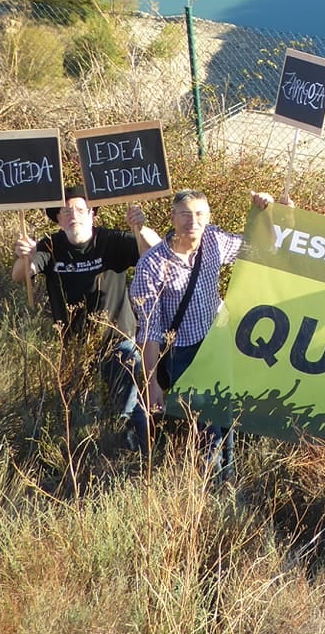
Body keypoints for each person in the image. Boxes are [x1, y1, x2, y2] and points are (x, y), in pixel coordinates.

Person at [129, 188, 276, 474]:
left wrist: (269, 213)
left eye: (199, 214)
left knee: (224, 415)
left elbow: (262, 250)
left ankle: (227, 477)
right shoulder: (152, 265)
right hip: (182, 353)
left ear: (208, 217)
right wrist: (152, 383)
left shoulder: (214, 241)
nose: (192, 222)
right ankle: (210, 481)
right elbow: (149, 329)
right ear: (172, 217)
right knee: (205, 422)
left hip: (218, 343)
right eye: (185, 214)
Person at [11, 186, 158, 338]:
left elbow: (157, 252)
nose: (74, 216)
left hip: (118, 341)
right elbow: (19, 276)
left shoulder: (111, 240)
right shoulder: (50, 246)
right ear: (58, 219)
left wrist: (141, 229)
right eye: (66, 212)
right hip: (72, 344)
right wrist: (26, 256)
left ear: (91, 214)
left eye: (80, 210)